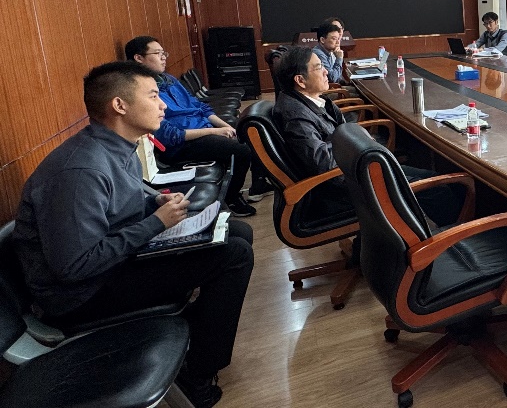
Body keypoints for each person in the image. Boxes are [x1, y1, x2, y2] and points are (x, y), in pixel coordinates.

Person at [13, 61, 253, 408]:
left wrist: (154, 203)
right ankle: (198, 372)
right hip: (81, 296)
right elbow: (74, 267)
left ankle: (197, 337)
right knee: (233, 256)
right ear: (119, 105)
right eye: (153, 96)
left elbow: (118, 209)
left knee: (236, 231)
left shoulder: (118, 146)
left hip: (112, 266)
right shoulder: (80, 170)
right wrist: (156, 223)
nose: (163, 105)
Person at [272, 47, 464, 225]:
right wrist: (359, 143)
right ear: (300, 80)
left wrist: (359, 140)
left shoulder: (305, 101)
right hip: (347, 186)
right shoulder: (296, 116)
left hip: (356, 170)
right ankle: (455, 242)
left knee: (438, 179)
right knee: (438, 190)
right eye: (319, 67)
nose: (326, 72)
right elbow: (322, 162)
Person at [125, 36, 257, 217]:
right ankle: (232, 198)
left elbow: (200, 106)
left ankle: (258, 185)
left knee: (249, 131)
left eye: (164, 53)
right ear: (139, 58)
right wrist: (215, 131)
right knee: (241, 150)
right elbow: (170, 135)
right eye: (157, 53)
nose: (163, 57)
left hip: (204, 128)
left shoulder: (168, 79)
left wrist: (225, 126)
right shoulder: (140, 91)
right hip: (183, 144)